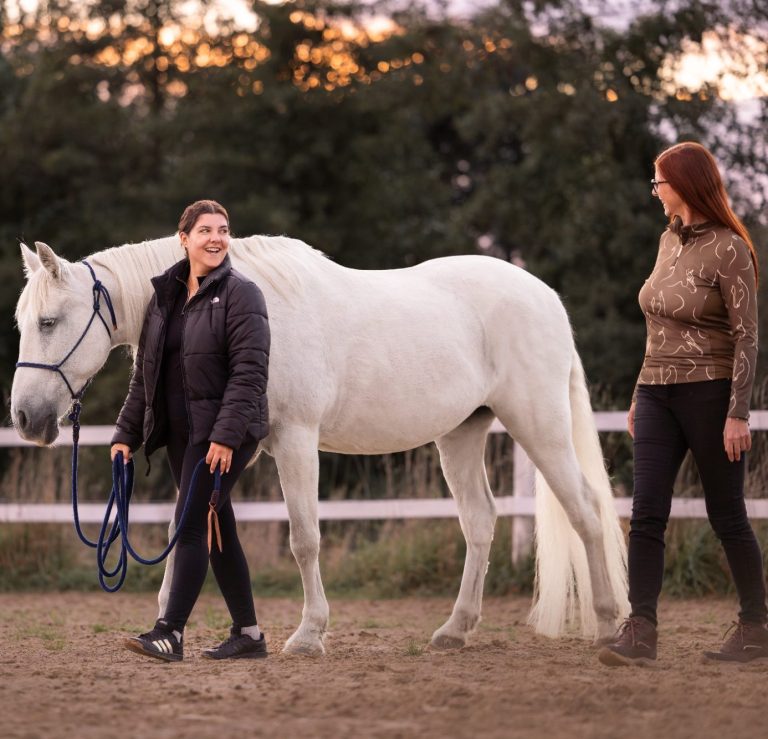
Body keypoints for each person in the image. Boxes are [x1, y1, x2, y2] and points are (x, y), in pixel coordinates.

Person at [599, 142, 768, 666]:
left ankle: (757, 628)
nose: (654, 190)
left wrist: (738, 412)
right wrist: (636, 393)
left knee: (727, 516)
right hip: (655, 392)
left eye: (659, 182)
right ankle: (640, 629)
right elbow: (655, 327)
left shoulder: (729, 249)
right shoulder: (666, 242)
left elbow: (748, 336)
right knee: (646, 512)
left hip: (710, 393)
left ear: (685, 184)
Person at [111, 199, 270, 662]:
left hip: (225, 433)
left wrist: (224, 436)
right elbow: (146, 373)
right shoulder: (163, 296)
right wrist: (125, 434)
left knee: (193, 527)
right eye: (205, 230)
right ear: (184, 239)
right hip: (183, 433)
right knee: (217, 525)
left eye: (223, 230)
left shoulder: (243, 294)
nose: (216, 238)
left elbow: (249, 373)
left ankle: (170, 632)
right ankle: (250, 634)